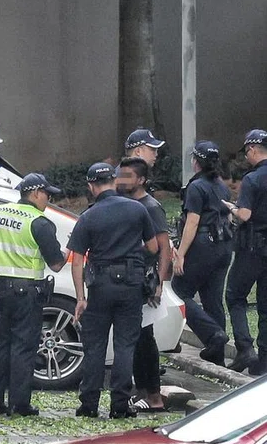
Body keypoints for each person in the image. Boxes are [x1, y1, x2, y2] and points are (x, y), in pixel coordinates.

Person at [0, 173, 66, 417]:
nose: (48, 199)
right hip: (27, 293)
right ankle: (19, 405)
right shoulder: (40, 222)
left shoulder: (0, 213)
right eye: (47, 194)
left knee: (0, 346)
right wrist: (67, 251)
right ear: (34, 194)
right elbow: (55, 264)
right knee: (23, 348)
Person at [68, 163, 159, 419]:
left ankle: (89, 404)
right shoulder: (137, 209)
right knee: (125, 345)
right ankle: (120, 404)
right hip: (131, 284)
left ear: (90, 186)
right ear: (114, 181)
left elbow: (77, 261)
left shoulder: (88, 216)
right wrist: (133, 258)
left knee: (95, 346)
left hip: (100, 286)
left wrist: (80, 298)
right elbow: (153, 247)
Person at [116, 157, 174, 411]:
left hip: (146, 281)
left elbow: (164, 248)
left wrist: (159, 282)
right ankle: (141, 391)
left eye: (127, 176)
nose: (121, 180)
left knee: (144, 339)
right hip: (127, 279)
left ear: (141, 180)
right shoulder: (123, 204)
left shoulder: (151, 207)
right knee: (134, 337)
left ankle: (153, 395)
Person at [170, 142, 232, 367]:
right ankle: (217, 354)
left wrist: (181, 254)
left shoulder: (196, 187)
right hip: (224, 246)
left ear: (196, 161)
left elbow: (192, 223)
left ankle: (213, 335)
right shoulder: (221, 185)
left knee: (179, 290)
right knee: (212, 298)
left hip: (203, 244)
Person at [223, 129, 267, 375]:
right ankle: (264, 362)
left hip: (252, 248)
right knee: (266, 304)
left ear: (251, 150)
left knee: (235, 295)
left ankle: (244, 348)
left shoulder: (252, 179)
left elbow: (245, 215)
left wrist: (232, 207)